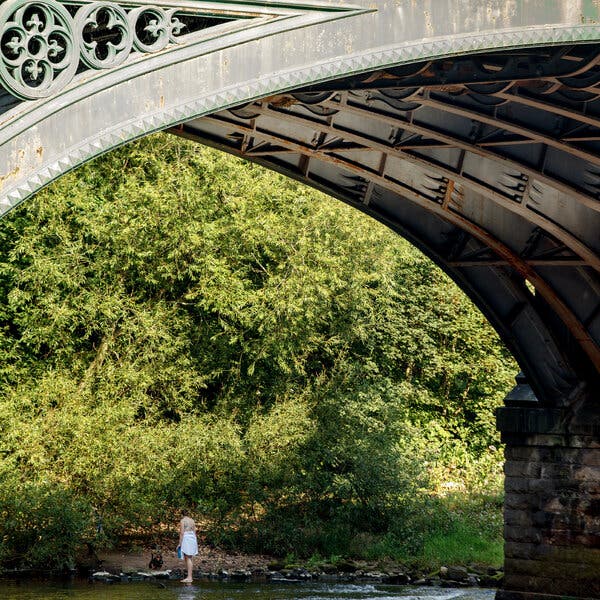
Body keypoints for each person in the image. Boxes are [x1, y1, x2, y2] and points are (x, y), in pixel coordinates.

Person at [177, 510, 198, 583]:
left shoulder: (182, 521)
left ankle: (189, 577)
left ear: (182, 515)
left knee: (187, 557)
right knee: (190, 557)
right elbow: (194, 532)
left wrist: (180, 543)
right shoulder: (192, 520)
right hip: (193, 538)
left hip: (186, 538)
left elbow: (182, 533)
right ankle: (190, 576)